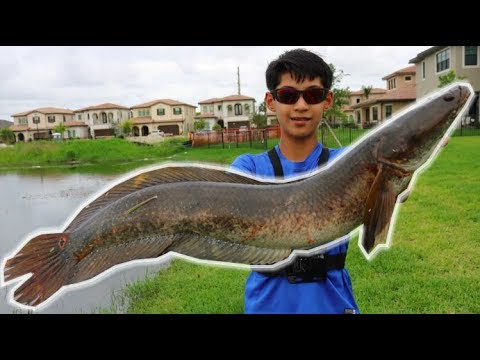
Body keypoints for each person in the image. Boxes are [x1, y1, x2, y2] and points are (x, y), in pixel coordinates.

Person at [230, 48, 360, 314]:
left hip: (332, 304)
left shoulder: (349, 163)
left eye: (313, 95)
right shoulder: (248, 168)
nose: (301, 106)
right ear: (270, 101)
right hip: (267, 305)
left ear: (328, 100)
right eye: (288, 96)